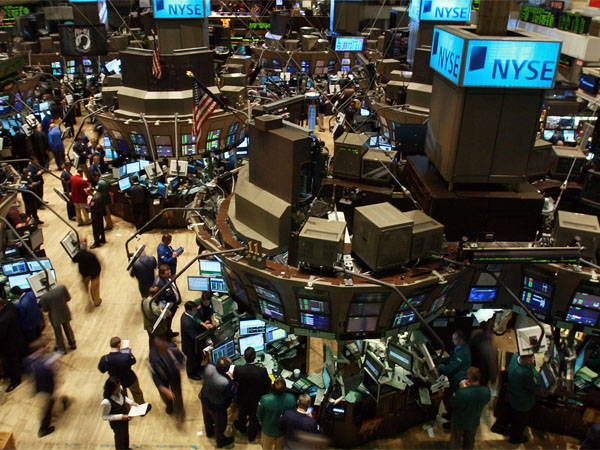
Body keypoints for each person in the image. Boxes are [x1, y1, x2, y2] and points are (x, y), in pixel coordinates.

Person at [25, 341, 70, 438]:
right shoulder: (44, 365)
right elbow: (50, 371)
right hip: (47, 386)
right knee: (49, 405)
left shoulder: (29, 360)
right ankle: (43, 429)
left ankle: (62, 402)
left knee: (49, 401)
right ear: (40, 349)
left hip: (38, 386)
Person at [233, 346, 272, 442]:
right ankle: (252, 435)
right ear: (255, 357)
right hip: (256, 399)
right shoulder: (262, 371)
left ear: (244, 356)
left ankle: (242, 427)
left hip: (242, 398)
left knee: (242, 413)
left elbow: (235, 382)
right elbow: (268, 383)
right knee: (253, 418)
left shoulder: (238, 369)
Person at [449, 367, 491, 450]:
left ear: (469, 378)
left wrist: (461, 389)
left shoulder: (462, 393)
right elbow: (485, 402)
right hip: (474, 420)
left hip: (459, 421)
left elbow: (452, 403)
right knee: (470, 441)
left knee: (455, 440)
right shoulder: (486, 391)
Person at [502, 353, 540, 444]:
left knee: (513, 416)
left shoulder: (515, 357)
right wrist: (534, 372)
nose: (533, 360)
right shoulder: (524, 374)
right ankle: (515, 438)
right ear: (527, 360)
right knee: (519, 422)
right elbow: (536, 385)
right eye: (532, 358)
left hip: (512, 394)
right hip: (522, 402)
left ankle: (506, 427)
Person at [200, 356, 237, 448]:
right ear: (227, 369)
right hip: (217, 406)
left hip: (204, 397)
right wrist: (231, 379)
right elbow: (232, 393)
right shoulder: (226, 382)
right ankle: (220, 440)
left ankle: (209, 432)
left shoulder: (209, 366)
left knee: (207, 417)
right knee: (220, 424)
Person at [439, 329, 471, 428]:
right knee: (447, 398)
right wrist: (441, 359)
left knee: (452, 401)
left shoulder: (463, 352)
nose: (452, 341)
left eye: (454, 339)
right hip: (453, 379)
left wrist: (437, 366)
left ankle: (454, 421)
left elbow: (450, 369)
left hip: (457, 381)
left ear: (461, 340)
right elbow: (452, 358)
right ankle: (451, 415)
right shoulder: (460, 348)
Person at [98, 336, 145, 404]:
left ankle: (127, 412)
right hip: (130, 379)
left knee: (123, 398)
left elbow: (102, 370)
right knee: (137, 393)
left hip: (117, 383)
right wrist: (126, 351)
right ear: (119, 344)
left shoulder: (105, 359)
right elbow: (133, 361)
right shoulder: (126, 355)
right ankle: (141, 408)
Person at [257, 377, 296, 450]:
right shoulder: (291, 398)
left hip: (267, 429)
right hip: (282, 431)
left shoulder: (265, 399)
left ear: (273, 388)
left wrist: (260, 420)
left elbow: (259, 414)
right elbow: (292, 414)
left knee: (266, 447)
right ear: (285, 388)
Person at [149, 336, 185, 416]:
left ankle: (179, 407)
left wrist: (181, 364)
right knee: (165, 396)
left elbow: (181, 357)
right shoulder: (153, 356)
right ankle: (169, 405)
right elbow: (154, 375)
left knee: (177, 393)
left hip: (174, 375)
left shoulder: (172, 348)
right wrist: (163, 388)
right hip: (162, 378)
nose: (165, 348)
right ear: (158, 349)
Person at [39, 284, 76, 353]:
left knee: (58, 333)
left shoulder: (44, 297)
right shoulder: (62, 288)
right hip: (65, 312)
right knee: (68, 328)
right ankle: (73, 344)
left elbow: (45, 309)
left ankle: (62, 348)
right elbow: (68, 298)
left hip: (54, 316)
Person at [101, 376, 135, 449]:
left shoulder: (120, 389)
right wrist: (121, 417)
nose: (119, 388)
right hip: (117, 423)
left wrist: (132, 402)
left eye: (119, 386)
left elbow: (123, 398)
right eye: (117, 387)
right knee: (120, 439)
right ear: (111, 389)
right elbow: (105, 417)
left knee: (126, 435)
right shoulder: (106, 402)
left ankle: (126, 448)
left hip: (125, 419)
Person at [0, 296, 26, 392]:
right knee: (16, 358)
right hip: (18, 336)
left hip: (9, 345)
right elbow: (19, 315)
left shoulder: (2, 320)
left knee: (12, 361)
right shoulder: (11, 306)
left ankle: (15, 381)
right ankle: (10, 372)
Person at [153, 264, 181, 338]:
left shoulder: (167, 277)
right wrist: (167, 310)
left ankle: (169, 332)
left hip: (172, 304)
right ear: (161, 274)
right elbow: (160, 300)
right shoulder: (159, 284)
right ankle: (167, 338)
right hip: (167, 308)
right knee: (166, 323)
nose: (169, 274)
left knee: (169, 322)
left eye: (169, 272)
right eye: (167, 274)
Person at [180, 301, 206, 380]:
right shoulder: (187, 323)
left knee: (197, 358)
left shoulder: (188, 315)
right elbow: (195, 337)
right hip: (190, 347)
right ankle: (191, 373)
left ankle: (197, 368)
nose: (196, 312)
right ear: (188, 311)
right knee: (192, 361)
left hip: (194, 345)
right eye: (194, 310)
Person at [72, 241, 102, 306]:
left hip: (84, 272)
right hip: (94, 271)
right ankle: (97, 302)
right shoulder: (91, 254)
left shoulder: (78, 255)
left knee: (85, 285)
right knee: (95, 288)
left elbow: (73, 260)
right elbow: (97, 263)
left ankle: (87, 297)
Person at [89, 178, 106, 248]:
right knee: (101, 227)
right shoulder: (99, 194)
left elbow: (92, 209)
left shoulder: (94, 199)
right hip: (101, 213)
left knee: (96, 230)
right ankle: (103, 239)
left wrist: (88, 204)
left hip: (95, 217)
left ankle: (97, 243)